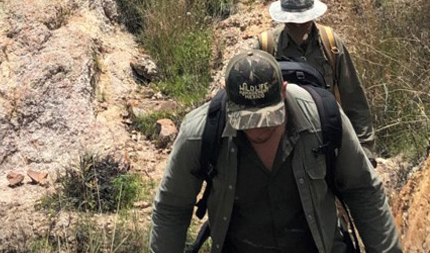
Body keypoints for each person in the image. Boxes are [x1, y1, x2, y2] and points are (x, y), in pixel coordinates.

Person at [150, 50, 402, 253]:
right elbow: (172, 207)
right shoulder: (200, 132)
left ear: (283, 90)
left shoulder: (323, 119)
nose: (259, 129)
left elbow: (363, 190)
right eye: (247, 120)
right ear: (228, 97)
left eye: (269, 117)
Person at [256, 0, 377, 156]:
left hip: (328, 140)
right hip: (282, 147)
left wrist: (365, 151)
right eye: (292, 21)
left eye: (303, 20)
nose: (298, 25)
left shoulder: (331, 45)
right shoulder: (265, 47)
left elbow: (354, 100)